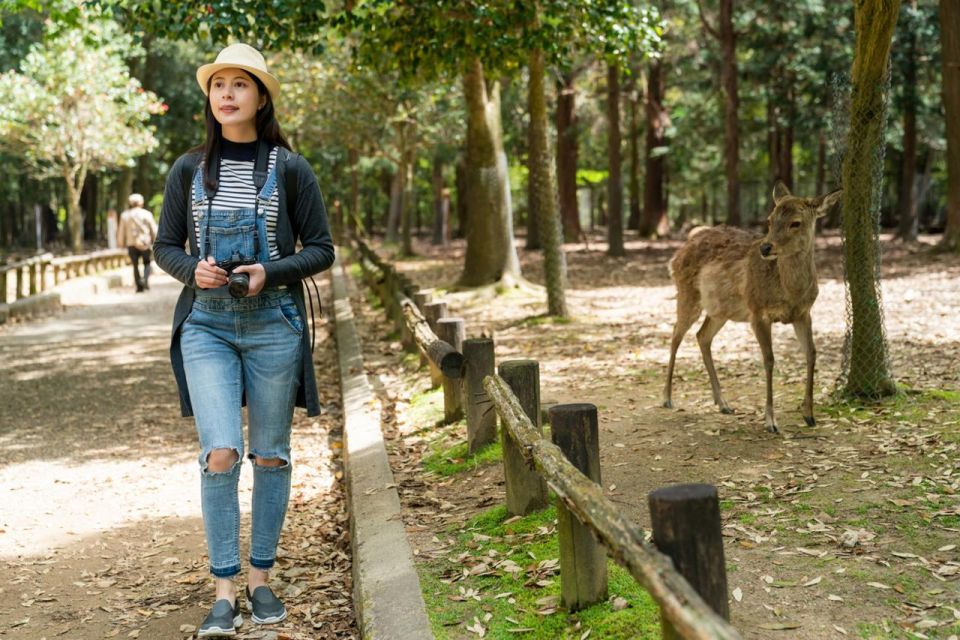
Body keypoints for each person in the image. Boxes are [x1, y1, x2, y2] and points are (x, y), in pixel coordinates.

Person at [153, 43, 334, 638]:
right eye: (218, 85)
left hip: (273, 324)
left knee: (271, 453)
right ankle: (224, 590)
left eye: (240, 84)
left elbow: (321, 249)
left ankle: (261, 578)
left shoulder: (290, 168)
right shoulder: (187, 169)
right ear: (210, 98)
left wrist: (270, 271)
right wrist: (192, 272)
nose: (227, 94)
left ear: (260, 96)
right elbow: (166, 247)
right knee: (221, 451)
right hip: (205, 324)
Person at [117, 194, 157, 291]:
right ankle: (145, 280)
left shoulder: (125, 215)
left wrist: (120, 243)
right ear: (141, 202)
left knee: (135, 265)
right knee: (147, 263)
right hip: (145, 243)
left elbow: (121, 231)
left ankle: (139, 287)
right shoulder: (147, 214)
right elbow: (153, 229)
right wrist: (156, 241)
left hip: (131, 244)